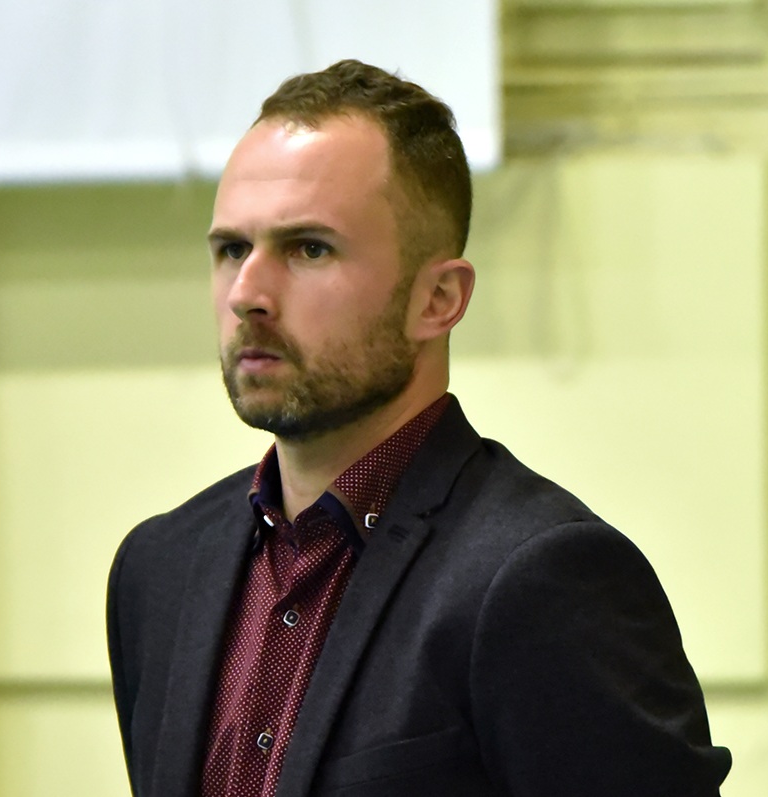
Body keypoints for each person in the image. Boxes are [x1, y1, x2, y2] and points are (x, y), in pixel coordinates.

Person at [106, 59, 732, 797]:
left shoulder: (540, 579)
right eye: (232, 249)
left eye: (309, 248)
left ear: (438, 299)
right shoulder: (160, 570)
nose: (248, 293)